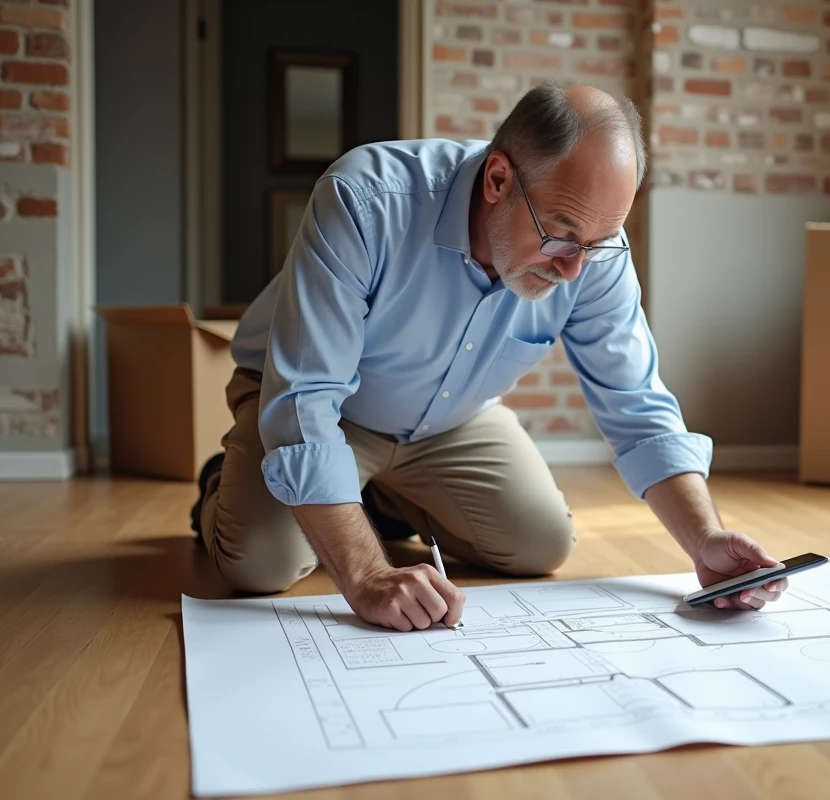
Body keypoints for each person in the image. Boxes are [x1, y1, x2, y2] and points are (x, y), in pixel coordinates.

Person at [191, 81, 788, 631]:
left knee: (540, 544)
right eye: (560, 235)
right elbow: (305, 401)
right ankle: (229, 479)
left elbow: (637, 402)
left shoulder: (592, 249)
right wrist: (367, 576)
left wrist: (705, 538)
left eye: (597, 244)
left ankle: (382, 500)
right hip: (324, 405)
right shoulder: (365, 199)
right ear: (497, 179)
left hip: (452, 417)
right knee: (258, 568)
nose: (573, 268)